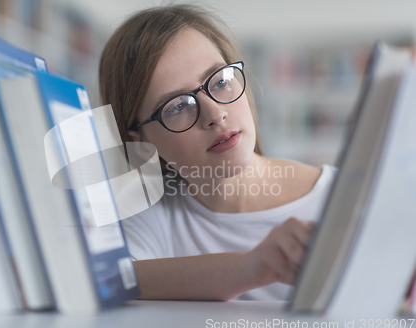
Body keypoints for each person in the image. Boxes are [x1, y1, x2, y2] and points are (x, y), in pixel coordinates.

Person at [98, 4, 337, 301]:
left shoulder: (344, 198)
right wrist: (251, 266)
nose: (215, 113)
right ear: (140, 140)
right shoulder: (150, 215)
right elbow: (111, 280)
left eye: (221, 81)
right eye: (177, 106)